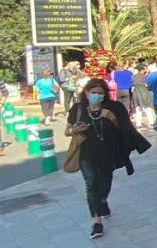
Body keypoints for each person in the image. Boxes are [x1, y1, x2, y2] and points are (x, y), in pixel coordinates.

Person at [64, 77, 150, 239]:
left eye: (100, 93)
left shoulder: (113, 108)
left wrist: (111, 118)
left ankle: (102, 200)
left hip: (108, 153)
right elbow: (67, 131)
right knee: (91, 184)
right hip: (86, 154)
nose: (97, 95)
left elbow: (125, 129)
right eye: (93, 93)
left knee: (105, 181)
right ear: (86, 93)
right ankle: (96, 222)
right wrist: (74, 130)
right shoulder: (78, 109)